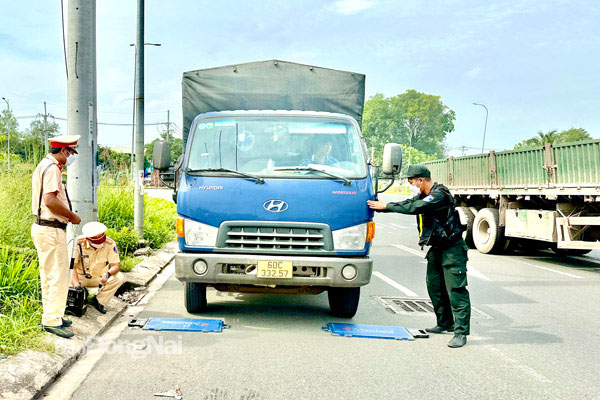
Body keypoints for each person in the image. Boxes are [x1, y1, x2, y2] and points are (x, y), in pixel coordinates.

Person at [367, 164, 471, 348]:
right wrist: (383, 207)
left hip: (452, 249)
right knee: (435, 286)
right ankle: (445, 322)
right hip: (437, 248)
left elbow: (417, 207)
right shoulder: (425, 195)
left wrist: (387, 205)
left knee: (456, 290)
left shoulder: (439, 195)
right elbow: (409, 203)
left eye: (413, 182)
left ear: (421, 180)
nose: (412, 186)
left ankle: (461, 332)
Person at [31, 135, 82, 339]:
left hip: (44, 227)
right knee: (58, 275)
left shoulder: (44, 165)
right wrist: (72, 216)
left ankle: (54, 315)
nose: (71, 157)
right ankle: (52, 319)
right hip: (51, 228)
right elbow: (50, 200)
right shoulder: (52, 169)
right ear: (63, 151)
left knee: (50, 274)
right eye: (71, 152)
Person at [71, 222, 124, 314]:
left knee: (119, 277)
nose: (100, 243)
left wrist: (108, 274)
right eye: (96, 242)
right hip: (80, 278)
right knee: (66, 283)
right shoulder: (78, 244)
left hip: (100, 278)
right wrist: (76, 287)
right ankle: (82, 295)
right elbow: (72, 267)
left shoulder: (110, 243)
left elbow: (116, 265)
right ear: (88, 239)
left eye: (102, 240)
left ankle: (99, 301)